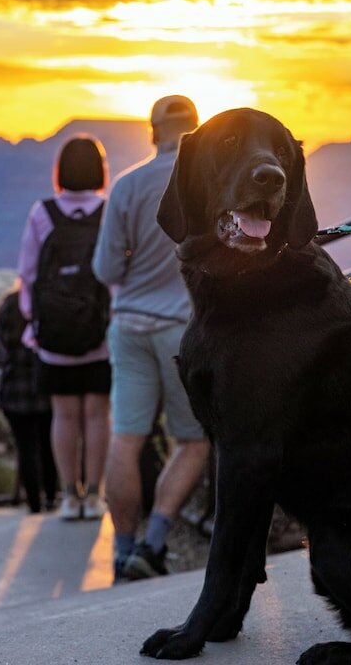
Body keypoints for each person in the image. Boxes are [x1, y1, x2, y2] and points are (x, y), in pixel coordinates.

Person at [92, 95, 209, 582]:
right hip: (183, 329)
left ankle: (121, 549)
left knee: (126, 438)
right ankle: (155, 541)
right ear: (197, 130)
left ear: (152, 131)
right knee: (194, 439)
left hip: (129, 326)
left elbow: (105, 268)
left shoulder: (127, 185)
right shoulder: (206, 181)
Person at [18, 134, 111, 521]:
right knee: (96, 415)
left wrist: (33, 320)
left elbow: (28, 272)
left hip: (53, 336)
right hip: (99, 335)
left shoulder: (42, 213)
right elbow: (113, 273)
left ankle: (69, 498)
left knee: (64, 416)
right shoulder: (107, 212)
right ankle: (94, 496)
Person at [0, 283, 57, 513]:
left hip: (14, 388)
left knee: (25, 449)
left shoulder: (8, 304)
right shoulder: (45, 299)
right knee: (48, 445)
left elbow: (2, 344)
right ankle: (52, 495)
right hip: (43, 384)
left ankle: (33, 502)